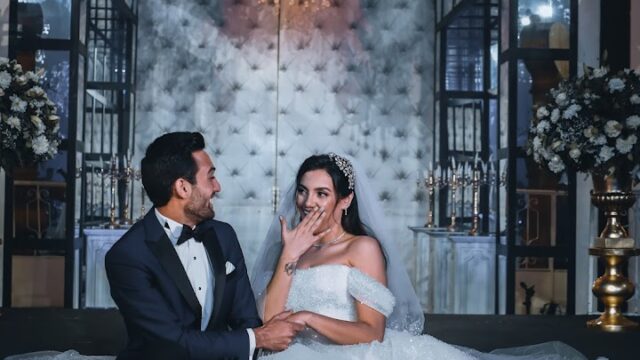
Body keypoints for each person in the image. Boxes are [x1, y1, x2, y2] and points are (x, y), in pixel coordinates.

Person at [251, 153, 587, 360]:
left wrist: (308, 317)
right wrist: (290, 254)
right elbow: (268, 318)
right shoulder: (292, 248)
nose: (308, 202)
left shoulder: (361, 248)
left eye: (322, 193)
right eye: (303, 191)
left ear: (345, 200)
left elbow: (372, 332)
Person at [105, 132, 304, 360]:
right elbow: (172, 343)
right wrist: (258, 338)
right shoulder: (127, 256)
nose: (217, 187)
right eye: (210, 177)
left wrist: (261, 335)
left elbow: (246, 318)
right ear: (182, 187)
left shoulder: (223, 235)